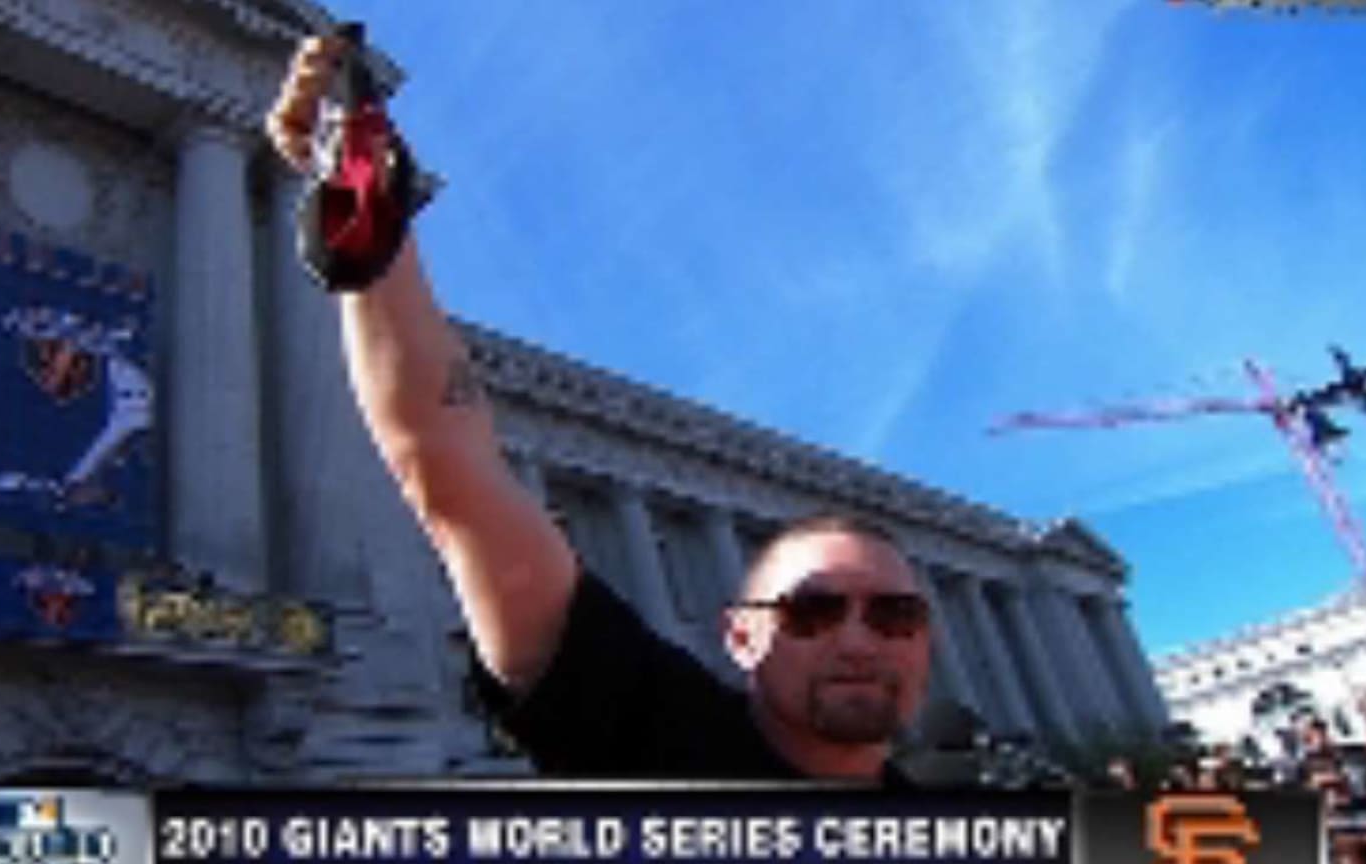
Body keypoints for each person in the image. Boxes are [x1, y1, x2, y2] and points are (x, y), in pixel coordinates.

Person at [264, 34, 931, 782]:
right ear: (741, 638)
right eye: (812, 612)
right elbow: (442, 457)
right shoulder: (661, 744)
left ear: (925, 645)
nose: (859, 641)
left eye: (894, 616)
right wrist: (363, 201)